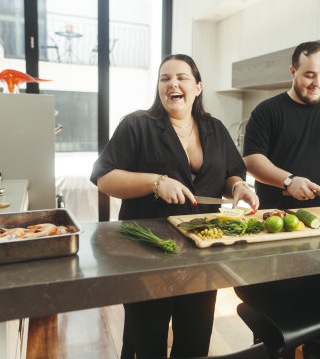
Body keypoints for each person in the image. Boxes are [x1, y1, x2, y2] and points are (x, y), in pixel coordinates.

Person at [90, 54, 259, 359]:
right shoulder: (136, 125)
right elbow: (105, 179)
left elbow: (232, 171)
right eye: (165, 78)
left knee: (195, 339)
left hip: (203, 251)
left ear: (197, 87)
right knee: (146, 339)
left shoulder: (215, 129)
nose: (172, 83)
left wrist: (239, 186)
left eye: (181, 77)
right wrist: (155, 182)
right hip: (147, 254)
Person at [235, 41, 320, 323]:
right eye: (310, 74)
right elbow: (252, 160)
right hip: (275, 231)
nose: (318, 82)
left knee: (316, 308)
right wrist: (288, 181)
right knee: (274, 311)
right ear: (293, 71)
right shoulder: (267, 111)